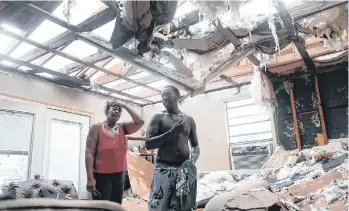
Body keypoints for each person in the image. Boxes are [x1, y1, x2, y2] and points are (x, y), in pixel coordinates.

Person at [146, 85, 200, 211]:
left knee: (181, 206)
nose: (164, 97)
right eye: (162, 96)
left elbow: (195, 145)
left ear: (177, 96)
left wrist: (193, 161)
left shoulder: (189, 120)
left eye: (167, 94)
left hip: (183, 170)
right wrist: (172, 132)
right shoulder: (158, 117)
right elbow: (148, 144)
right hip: (163, 169)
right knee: (158, 206)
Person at [85, 101, 144, 204]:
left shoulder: (122, 128)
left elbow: (140, 122)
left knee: (116, 206)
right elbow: (89, 153)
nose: (117, 111)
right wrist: (90, 178)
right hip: (101, 177)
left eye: (119, 110)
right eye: (114, 108)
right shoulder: (96, 128)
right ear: (107, 111)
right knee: (102, 207)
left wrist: (125, 105)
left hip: (119, 176)